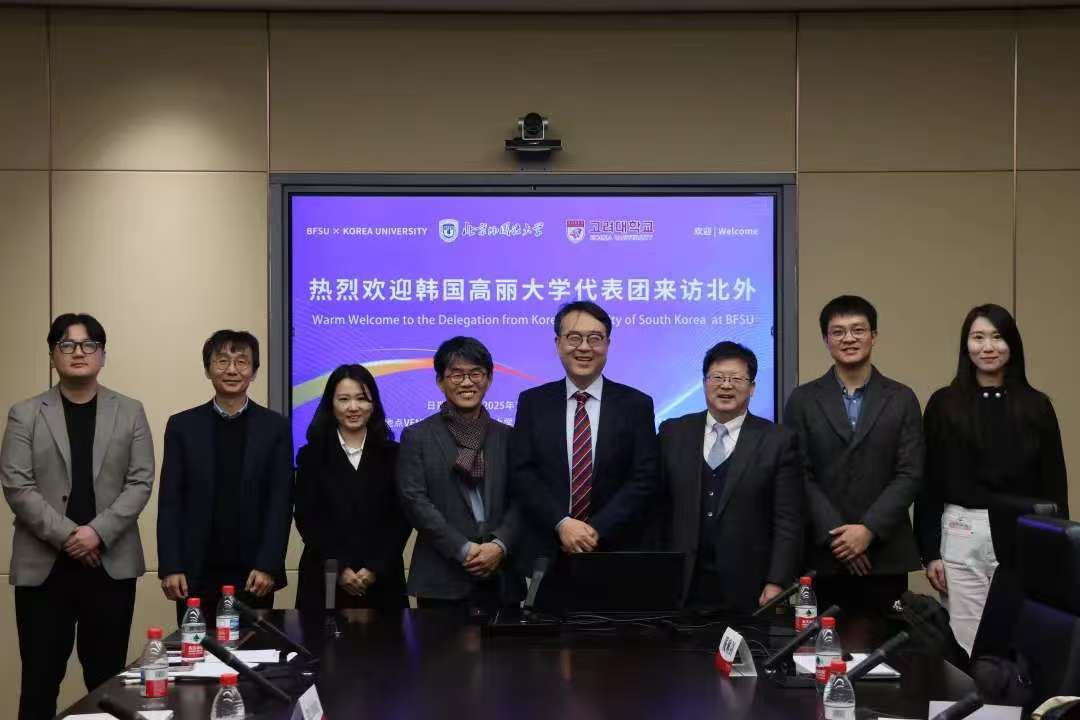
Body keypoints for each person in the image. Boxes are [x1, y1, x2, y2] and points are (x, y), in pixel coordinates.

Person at [1, 313, 154, 720]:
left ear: (103, 354)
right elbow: (17, 485)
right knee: (39, 681)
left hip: (109, 567)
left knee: (107, 682)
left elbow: (140, 482)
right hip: (44, 570)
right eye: (67, 345)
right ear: (53, 354)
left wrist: (97, 533)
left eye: (89, 345)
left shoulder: (130, 411)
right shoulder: (25, 414)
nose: (78, 352)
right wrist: (71, 536)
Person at [914, 304, 1068, 656]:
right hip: (961, 531)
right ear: (965, 345)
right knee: (966, 642)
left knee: (1020, 642)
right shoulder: (944, 404)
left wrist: (1055, 548)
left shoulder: (1037, 405)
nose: (987, 347)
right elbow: (928, 482)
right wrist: (930, 552)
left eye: (997, 337)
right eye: (978, 337)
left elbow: (1054, 484)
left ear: (1012, 344)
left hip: (1022, 533)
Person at [783, 295, 924, 616]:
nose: (849, 338)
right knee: (822, 644)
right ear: (826, 339)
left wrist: (868, 530)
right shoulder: (803, 400)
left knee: (887, 645)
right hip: (823, 555)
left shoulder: (901, 398)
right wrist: (838, 535)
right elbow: (798, 473)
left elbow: (910, 472)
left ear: (873, 335)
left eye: (858, 330)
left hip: (884, 554)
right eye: (838, 332)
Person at [157, 330, 293, 625]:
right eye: (222, 361)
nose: (232, 370)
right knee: (195, 652)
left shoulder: (275, 428)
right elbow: (170, 501)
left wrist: (268, 564)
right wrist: (171, 565)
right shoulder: (182, 426)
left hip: (254, 574)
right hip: (194, 571)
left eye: (242, 362)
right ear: (208, 369)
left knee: (255, 649)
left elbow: (280, 502)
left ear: (254, 372)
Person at [510, 301, 658, 566]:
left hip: (615, 549)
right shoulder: (533, 402)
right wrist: (562, 523)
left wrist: (594, 530)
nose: (584, 347)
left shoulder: (637, 405)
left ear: (607, 344)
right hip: (547, 549)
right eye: (574, 338)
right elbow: (522, 473)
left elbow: (644, 478)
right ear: (558, 343)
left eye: (595, 338)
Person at [658, 342, 803, 612]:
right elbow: (657, 509)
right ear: (704, 382)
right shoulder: (673, 433)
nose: (726, 385)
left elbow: (788, 519)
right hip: (681, 584)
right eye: (717, 377)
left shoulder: (778, 440)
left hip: (749, 587)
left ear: (752, 387)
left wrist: (777, 581)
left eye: (736, 379)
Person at [397, 336, 523, 611]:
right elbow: (414, 501)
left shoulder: (509, 437)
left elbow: (522, 499)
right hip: (441, 579)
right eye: (456, 375)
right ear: (440, 381)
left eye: (476, 373)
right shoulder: (417, 437)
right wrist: (462, 549)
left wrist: (499, 545)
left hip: (500, 576)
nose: (467, 382)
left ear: (489, 379)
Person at [294, 364, 408, 611]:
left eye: (361, 399)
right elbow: (307, 518)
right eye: (344, 399)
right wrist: (340, 568)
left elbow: (401, 518)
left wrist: (374, 568)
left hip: (383, 577)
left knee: (388, 637)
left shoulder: (395, 455)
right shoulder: (311, 455)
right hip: (325, 576)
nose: (353, 407)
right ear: (331, 404)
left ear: (373, 404)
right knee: (320, 636)